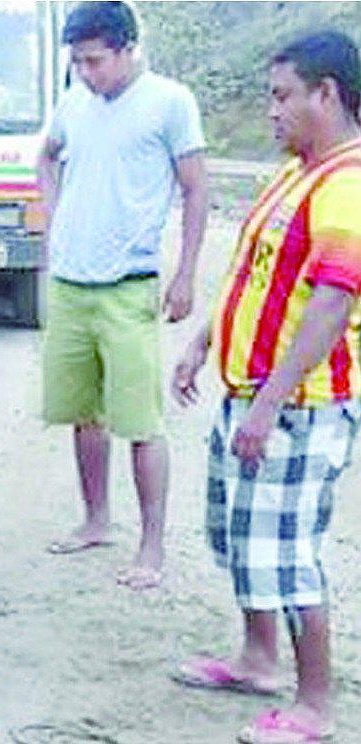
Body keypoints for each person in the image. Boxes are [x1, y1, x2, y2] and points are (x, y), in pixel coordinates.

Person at [170, 31, 361, 744]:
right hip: (249, 393)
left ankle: (314, 705)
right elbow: (251, 274)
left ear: (327, 94)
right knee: (238, 535)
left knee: (284, 550)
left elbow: (331, 304)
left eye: (281, 96)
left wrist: (269, 402)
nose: (270, 111)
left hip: (297, 409)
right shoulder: (295, 172)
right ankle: (256, 659)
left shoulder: (347, 184)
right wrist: (200, 344)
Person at [35, 1, 209, 589]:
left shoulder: (170, 102)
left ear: (128, 48)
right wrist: (53, 225)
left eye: (96, 61)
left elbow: (195, 189)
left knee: (139, 420)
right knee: (82, 414)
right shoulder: (73, 101)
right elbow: (47, 155)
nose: (87, 73)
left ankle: (152, 546)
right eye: (78, 62)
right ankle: (95, 520)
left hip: (128, 284)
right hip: (70, 282)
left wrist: (185, 274)